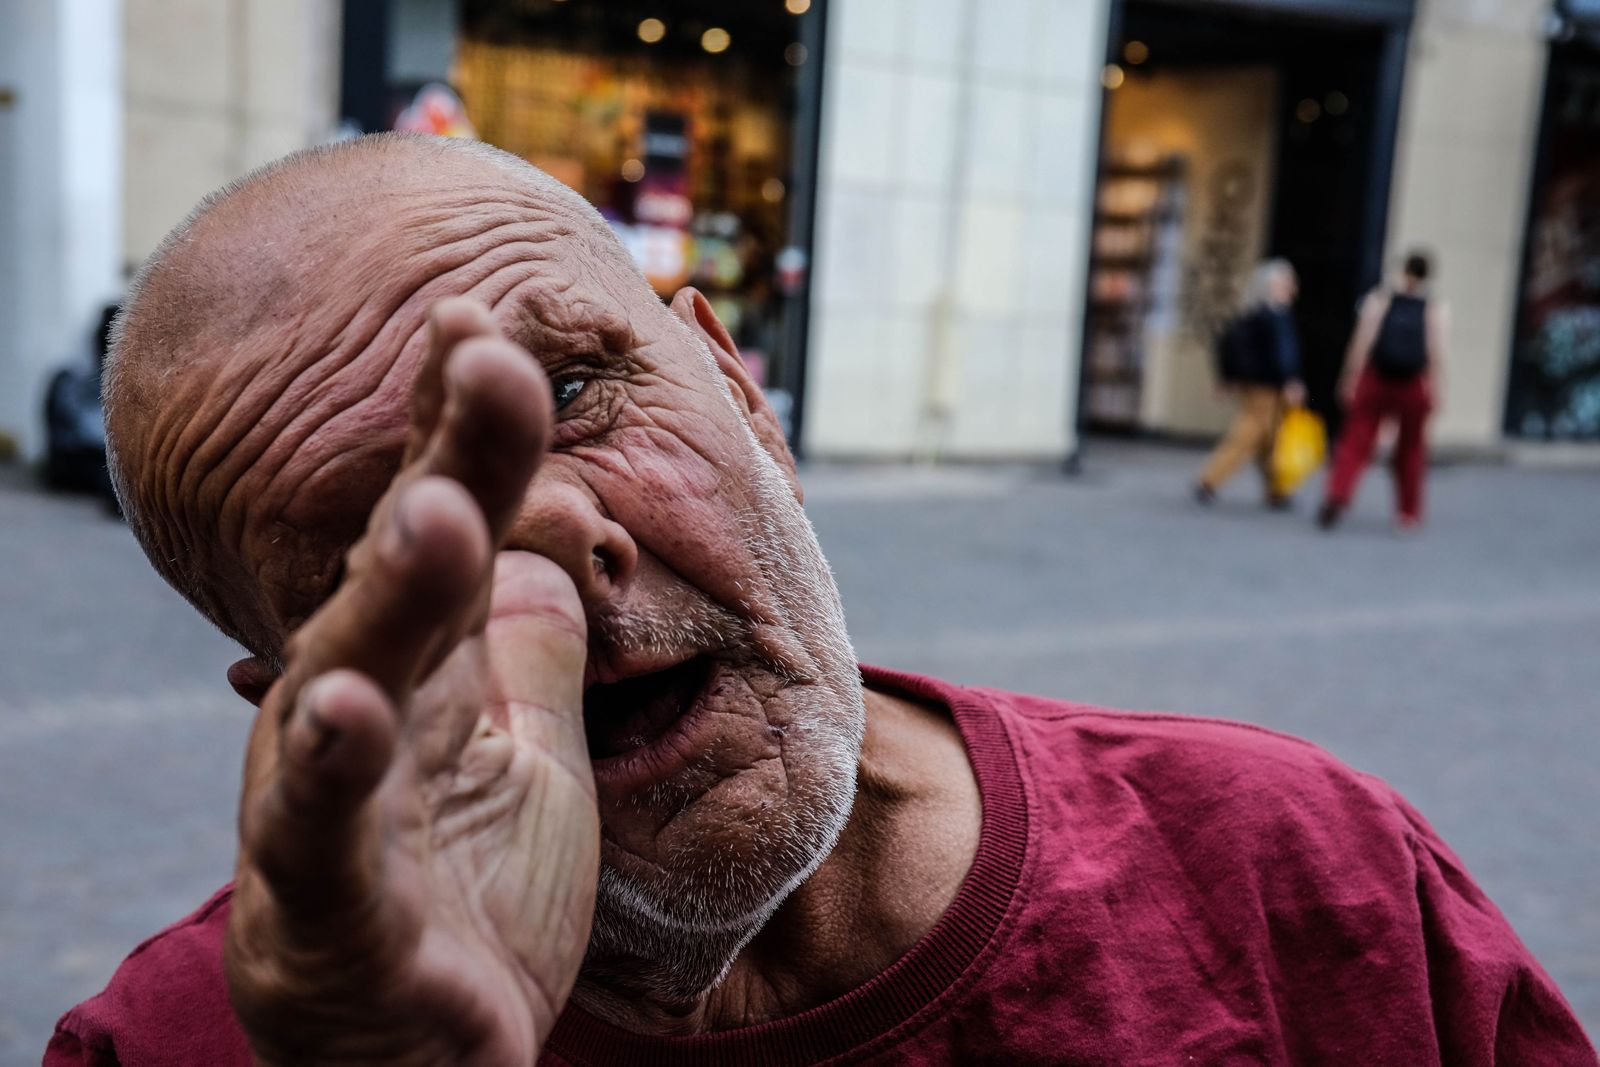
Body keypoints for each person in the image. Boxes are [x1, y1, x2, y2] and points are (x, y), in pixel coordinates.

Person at [46, 136, 1596, 1067]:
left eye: (577, 390)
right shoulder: (185, 1044)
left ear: (739, 388)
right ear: (298, 695)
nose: (559, 544)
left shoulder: (1295, 870)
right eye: (380, 534)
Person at [1318, 251, 1444, 530]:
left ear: (1403, 270)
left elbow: (1362, 341)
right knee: (1411, 448)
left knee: (1356, 440)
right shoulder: (1432, 307)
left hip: (1377, 379)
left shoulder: (1381, 300)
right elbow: (1435, 352)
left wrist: (1349, 377)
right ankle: (1408, 512)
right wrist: (1436, 387)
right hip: (1413, 385)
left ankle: (1338, 493)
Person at [1195, 259, 1307, 510]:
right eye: (1287, 282)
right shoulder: (1275, 316)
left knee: (1269, 440)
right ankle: (1209, 479)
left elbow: (1227, 344)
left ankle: (1277, 489)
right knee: (1248, 434)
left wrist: (1227, 377)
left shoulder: (1253, 314)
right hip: (1267, 386)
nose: (1292, 287)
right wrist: (1291, 379)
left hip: (1256, 384)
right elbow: (1284, 353)